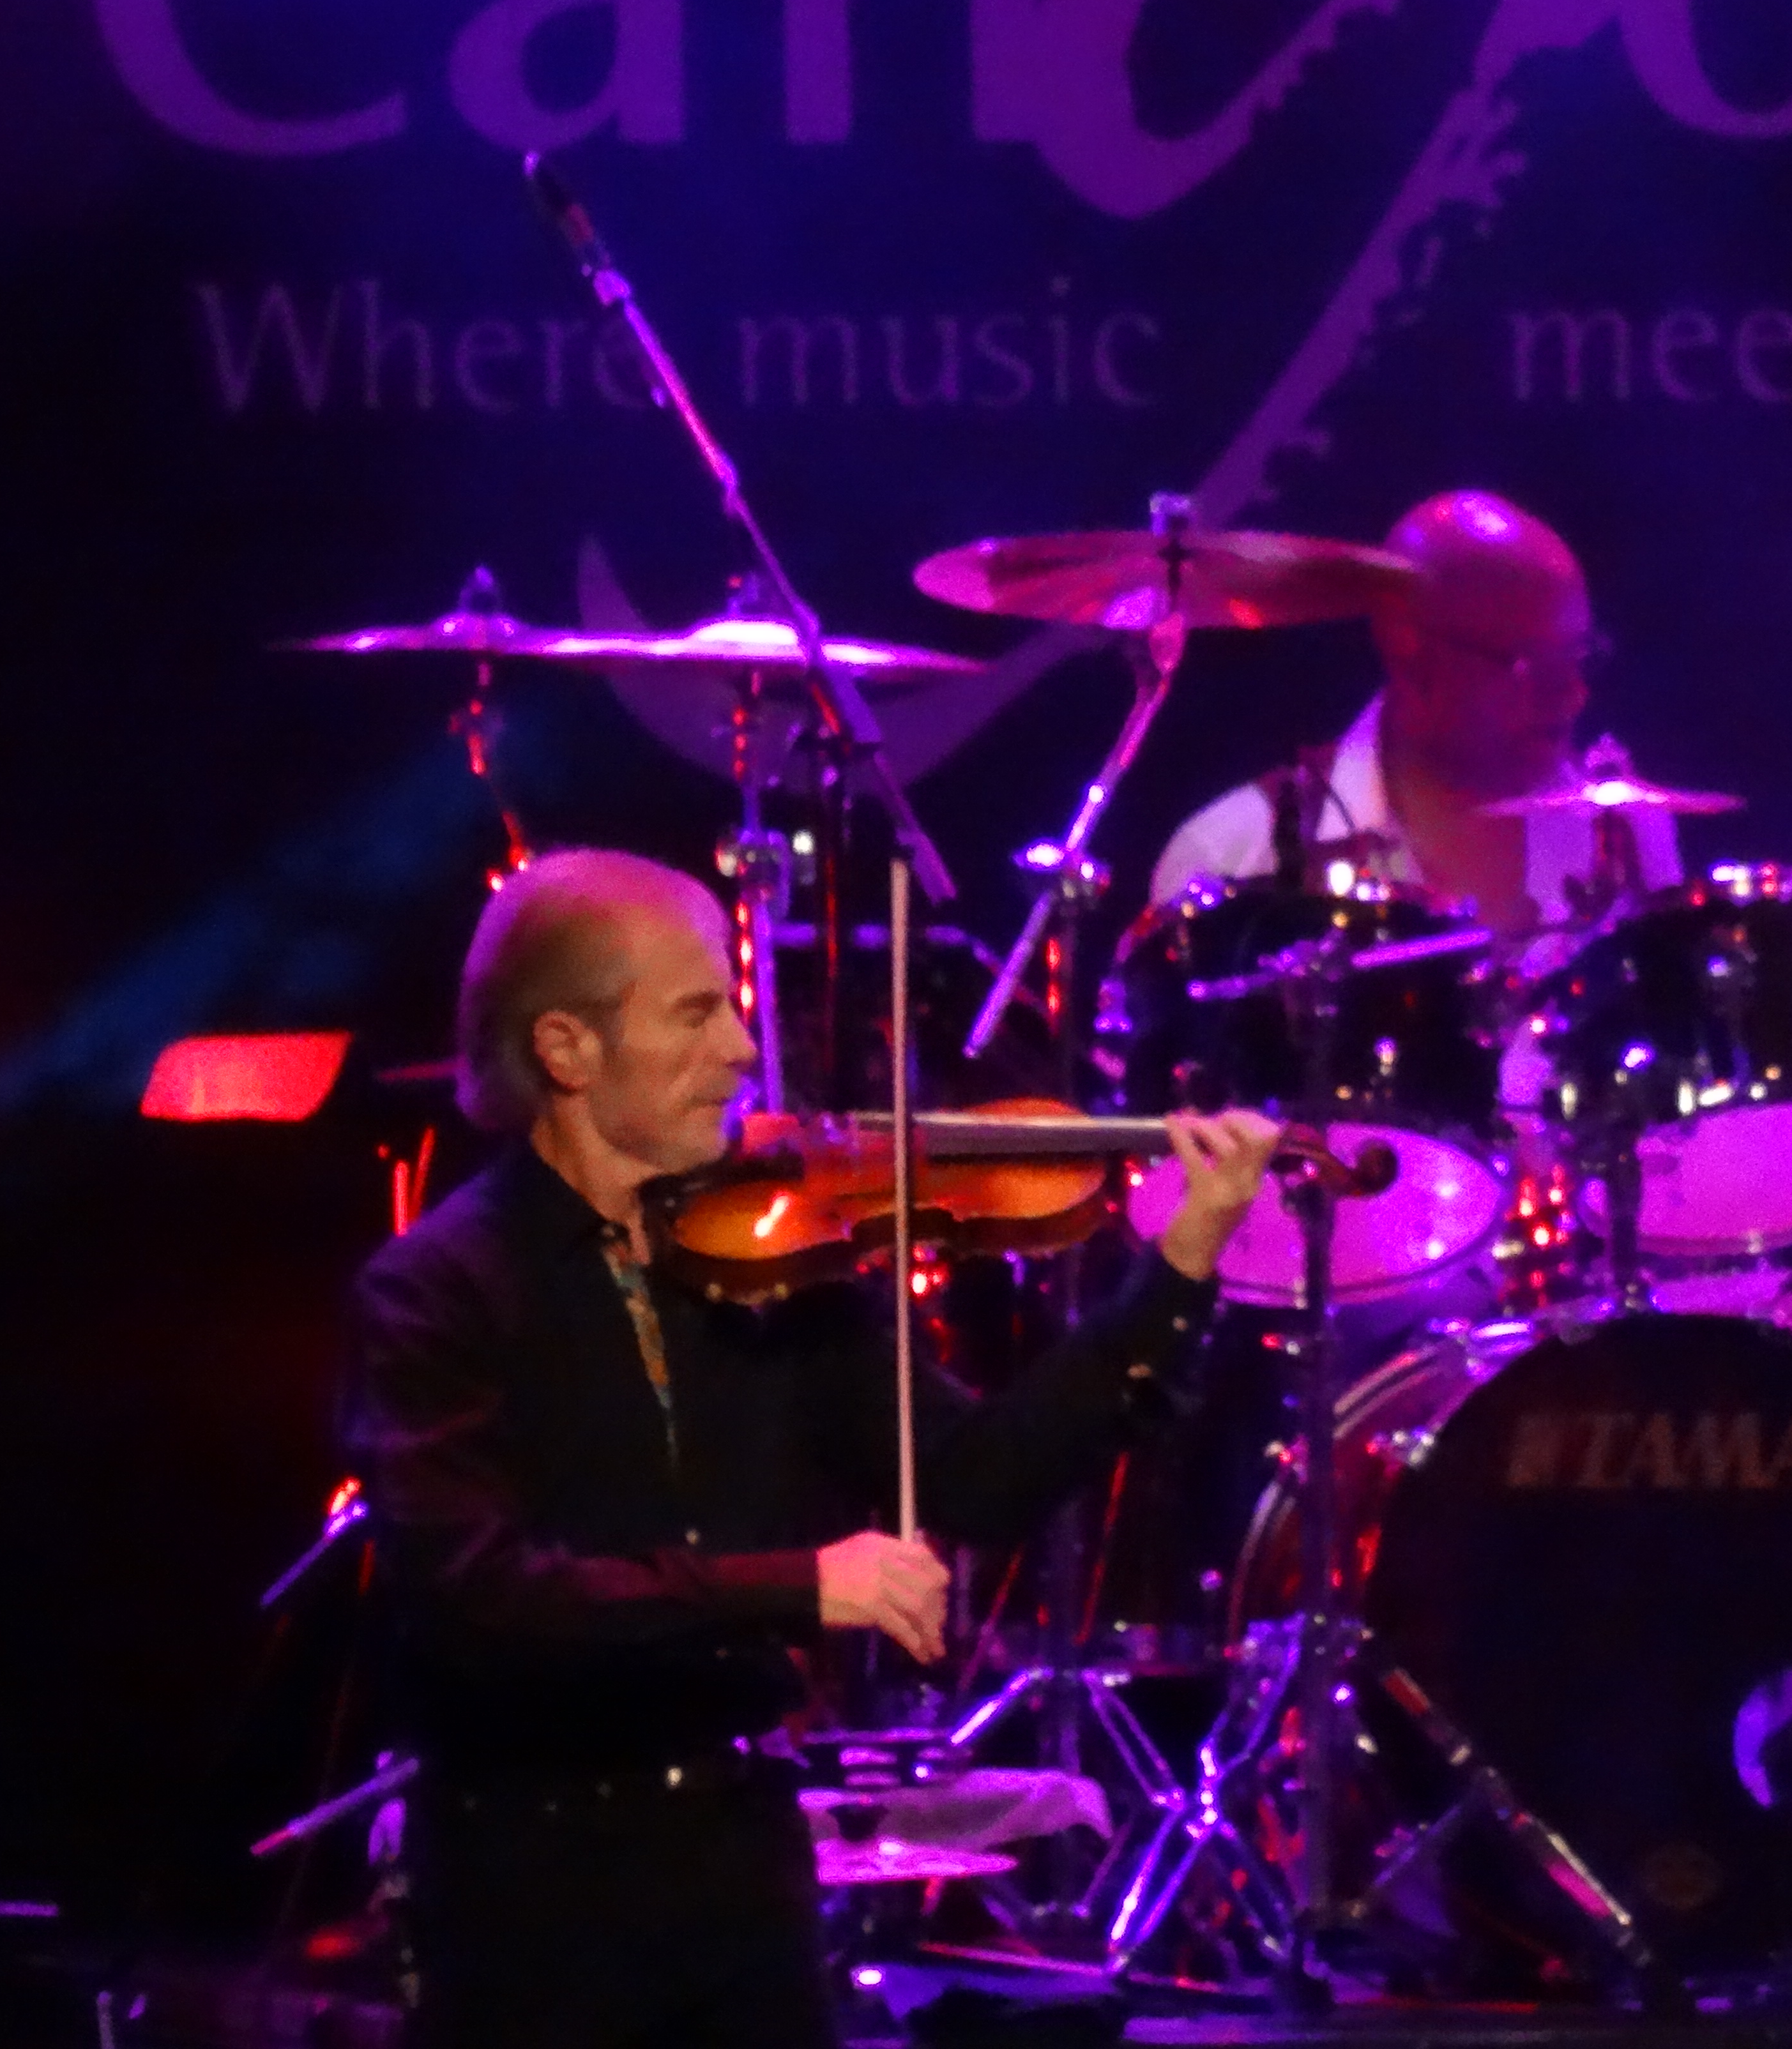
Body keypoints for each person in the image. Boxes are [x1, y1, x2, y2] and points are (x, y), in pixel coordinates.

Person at [338, 849, 1279, 2049]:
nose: (744, 1049)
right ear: (567, 1049)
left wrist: (1183, 1262)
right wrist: (802, 1584)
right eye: (697, 1013)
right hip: (530, 1887)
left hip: (740, 1871)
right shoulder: (436, 1293)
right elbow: (482, 1598)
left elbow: (979, 1476)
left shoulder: (778, 1255)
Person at [1146, 489, 1678, 935]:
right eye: (1532, 666)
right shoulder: (1232, 856)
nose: (1573, 696)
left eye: (1578, 658)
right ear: (1407, 645)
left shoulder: (1625, 838)